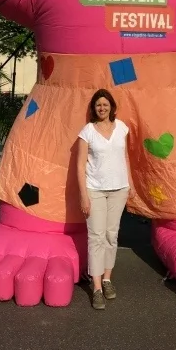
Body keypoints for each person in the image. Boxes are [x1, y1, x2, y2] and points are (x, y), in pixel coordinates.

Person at [75, 89, 131, 310]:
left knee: (111, 234)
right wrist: (83, 195)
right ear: (93, 108)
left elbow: (125, 157)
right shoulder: (87, 131)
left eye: (105, 104)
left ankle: (107, 279)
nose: (102, 108)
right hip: (95, 190)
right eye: (98, 105)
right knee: (96, 236)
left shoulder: (122, 128)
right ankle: (96, 287)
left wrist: (131, 185)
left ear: (111, 106)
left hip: (119, 189)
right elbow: (80, 166)